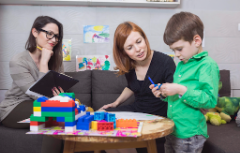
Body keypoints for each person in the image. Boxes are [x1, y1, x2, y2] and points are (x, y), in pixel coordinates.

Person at [99, 21, 176, 153]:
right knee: (100, 116)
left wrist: (163, 90)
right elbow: (132, 87)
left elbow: (175, 93)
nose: (138, 49)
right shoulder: (130, 66)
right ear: (124, 52)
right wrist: (116, 102)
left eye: (139, 42)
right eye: (130, 48)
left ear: (145, 39)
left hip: (158, 115)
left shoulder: (165, 62)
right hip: (138, 111)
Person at [150, 12, 220, 153]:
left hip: (190, 135)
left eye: (179, 49)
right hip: (173, 130)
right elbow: (179, 99)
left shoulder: (207, 65)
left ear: (196, 41)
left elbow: (210, 100)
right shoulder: (182, 64)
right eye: (173, 50)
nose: (176, 54)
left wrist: (180, 89)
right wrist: (164, 94)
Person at [0, 16, 64, 153]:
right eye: (49, 34)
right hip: (14, 107)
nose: (53, 40)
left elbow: (52, 93)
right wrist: (43, 63)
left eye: (56, 36)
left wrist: (60, 94)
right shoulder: (18, 61)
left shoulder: (56, 58)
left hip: (41, 104)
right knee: (55, 117)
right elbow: (40, 95)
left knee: (66, 113)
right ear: (35, 32)